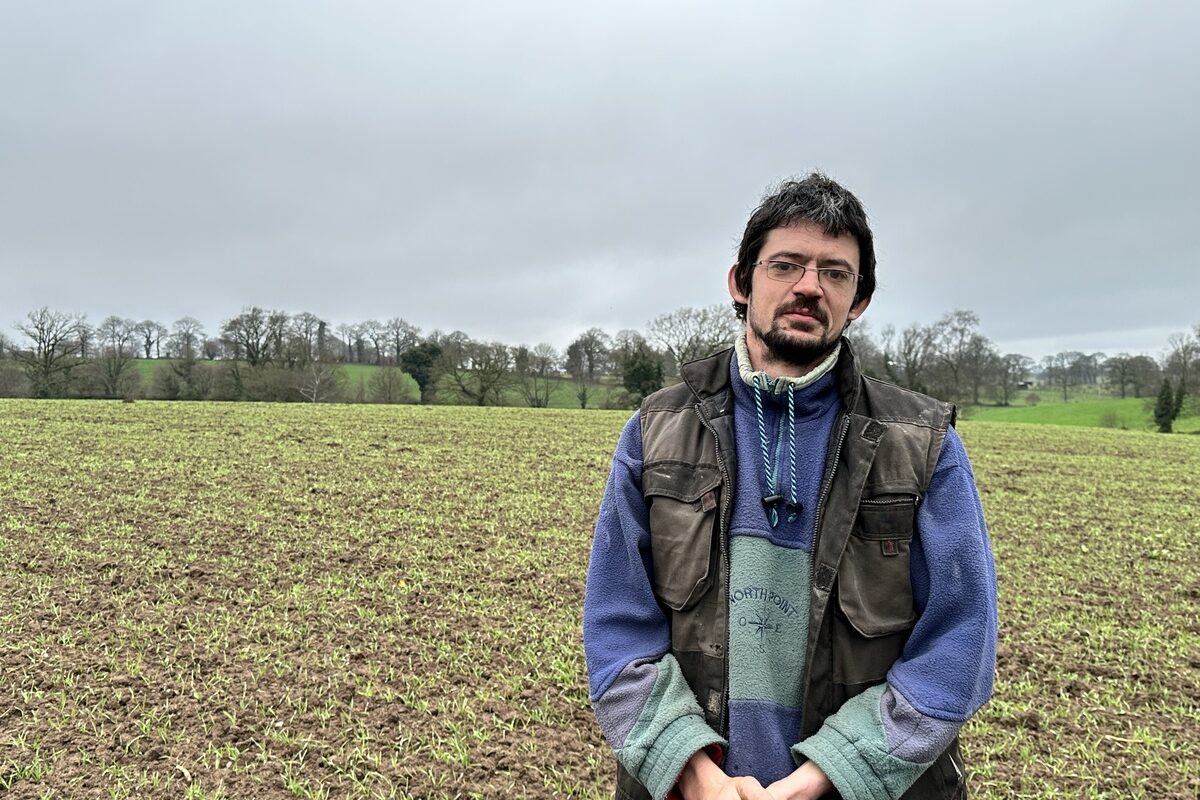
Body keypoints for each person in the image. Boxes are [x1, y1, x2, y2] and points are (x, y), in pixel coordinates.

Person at [583, 173, 997, 800]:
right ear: (741, 282)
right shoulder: (654, 433)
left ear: (858, 300)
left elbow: (961, 640)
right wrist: (695, 773)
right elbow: (617, 628)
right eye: (786, 265)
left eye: (836, 272)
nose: (809, 286)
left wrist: (831, 774)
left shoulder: (922, 446)